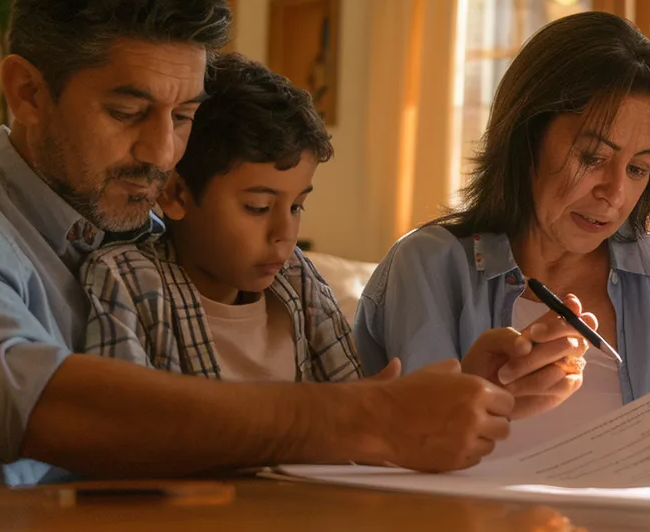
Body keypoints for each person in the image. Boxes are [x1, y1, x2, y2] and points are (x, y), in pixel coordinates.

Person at [0, 0, 585, 490]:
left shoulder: (160, 231)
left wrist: (471, 398)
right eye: (127, 110)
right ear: (26, 92)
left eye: (184, 114)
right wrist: (367, 419)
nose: (162, 153)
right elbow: (30, 401)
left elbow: (268, 403)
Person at [353, 11, 650, 457]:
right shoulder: (428, 269)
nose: (615, 192)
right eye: (591, 157)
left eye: (638, 168)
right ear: (526, 135)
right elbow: (399, 463)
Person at [79, 55, 585, 416]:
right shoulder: (126, 282)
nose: (285, 234)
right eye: (257, 207)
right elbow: (124, 439)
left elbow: (361, 411)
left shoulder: (296, 282)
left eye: (297, 205)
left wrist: (472, 388)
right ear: (176, 195)